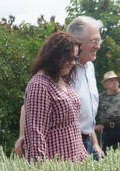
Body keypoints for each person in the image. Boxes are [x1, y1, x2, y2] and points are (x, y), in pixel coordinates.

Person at [15, 16, 104, 159]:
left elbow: (79, 116)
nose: (98, 46)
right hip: (58, 156)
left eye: (99, 41)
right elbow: (34, 120)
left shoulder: (77, 72)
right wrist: (24, 135)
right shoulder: (42, 83)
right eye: (94, 41)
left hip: (81, 147)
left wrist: (94, 143)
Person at [24, 32, 87, 162]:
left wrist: (83, 156)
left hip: (76, 164)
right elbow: (36, 132)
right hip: (56, 168)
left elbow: (73, 125)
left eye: (75, 58)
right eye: (69, 58)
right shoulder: (39, 85)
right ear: (55, 55)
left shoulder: (63, 80)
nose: (73, 63)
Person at [95, 71, 120, 153]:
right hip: (106, 130)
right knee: (105, 156)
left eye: (116, 80)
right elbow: (92, 113)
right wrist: (95, 126)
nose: (114, 82)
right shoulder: (100, 97)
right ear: (105, 85)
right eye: (111, 80)